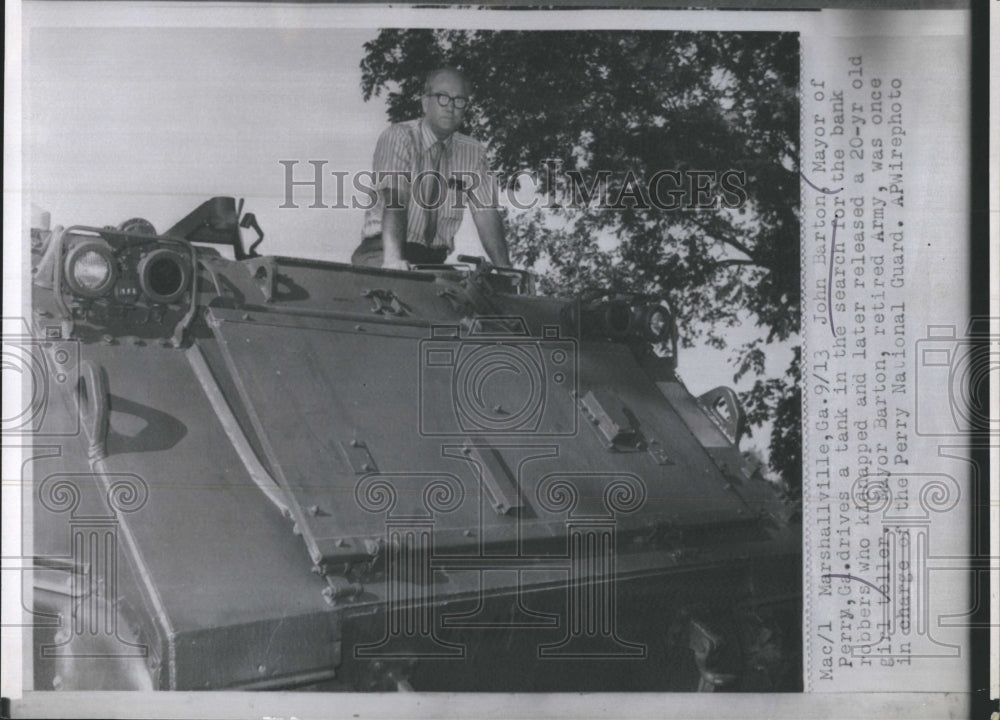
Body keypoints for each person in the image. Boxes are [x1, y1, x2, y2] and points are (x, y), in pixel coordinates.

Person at [352, 67, 511, 270]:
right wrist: (392, 260)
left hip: (433, 262)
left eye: (459, 100)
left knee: (472, 288)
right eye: (442, 97)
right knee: (404, 287)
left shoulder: (473, 152)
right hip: (383, 252)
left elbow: (486, 213)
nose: (450, 107)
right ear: (425, 102)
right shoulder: (398, 137)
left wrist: (506, 270)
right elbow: (395, 199)